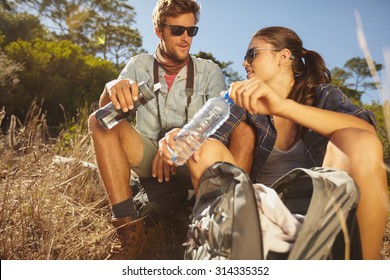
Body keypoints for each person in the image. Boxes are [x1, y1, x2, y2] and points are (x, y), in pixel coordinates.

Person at [159, 26, 389, 259]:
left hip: (318, 213)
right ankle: (229, 253)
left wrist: (282, 107)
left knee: (358, 140)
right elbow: (205, 148)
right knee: (203, 151)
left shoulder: (323, 96)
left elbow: (366, 131)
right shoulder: (240, 100)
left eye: (252, 54)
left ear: (283, 57)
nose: (245, 63)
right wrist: (181, 137)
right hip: (258, 213)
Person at [88, 0, 228, 260]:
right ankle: (127, 230)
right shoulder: (139, 64)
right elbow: (108, 112)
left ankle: (214, 228)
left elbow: (220, 125)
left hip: (193, 156)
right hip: (148, 157)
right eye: (177, 30)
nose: (186, 38)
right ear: (158, 31)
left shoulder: (209, 70)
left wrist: (177, 146)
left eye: (192, 31)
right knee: (99, 121)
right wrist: (112, 88)